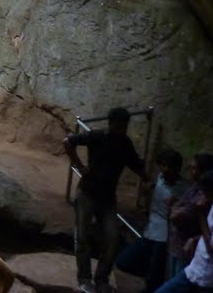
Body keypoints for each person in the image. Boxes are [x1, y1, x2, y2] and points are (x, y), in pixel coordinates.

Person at [64, 107, 148, 293]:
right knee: (83, 237)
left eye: (126, 125)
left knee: (112, 239)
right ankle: (84, 279)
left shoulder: (125, 143)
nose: (124, 129)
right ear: (112, 123)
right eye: (121, 125)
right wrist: (80, 166)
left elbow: (135, 164)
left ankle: (101, 279)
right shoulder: (96, 136)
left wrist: (148, 180)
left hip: (108, 198)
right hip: (87, 193)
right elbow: (68, 142)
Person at [116, 148, 188, 292]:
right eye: (163, 165)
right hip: (151, 231)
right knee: (123, 262)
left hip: (165, 237)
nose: (166, 170)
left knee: (153, 281)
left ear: (177, 168)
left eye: (170, 166)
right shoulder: (160, 179)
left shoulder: (183, 190)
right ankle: (151, 271)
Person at [155, 170, 213, 293]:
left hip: (210, 279)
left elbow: (212, 246)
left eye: (204, 192)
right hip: (194, 271)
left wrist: (201, 215)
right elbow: (209, 233)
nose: (202, 196)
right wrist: (194, 239)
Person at [169, 154, 213, 277]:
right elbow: (175, 209)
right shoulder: (194, 188)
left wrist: (178, 210)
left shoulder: (208, 196)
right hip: (176, 245)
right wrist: (178, 209)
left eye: (193, 168)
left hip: (190, 249)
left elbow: (176, 215)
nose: (190, 172)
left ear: (204, 171)